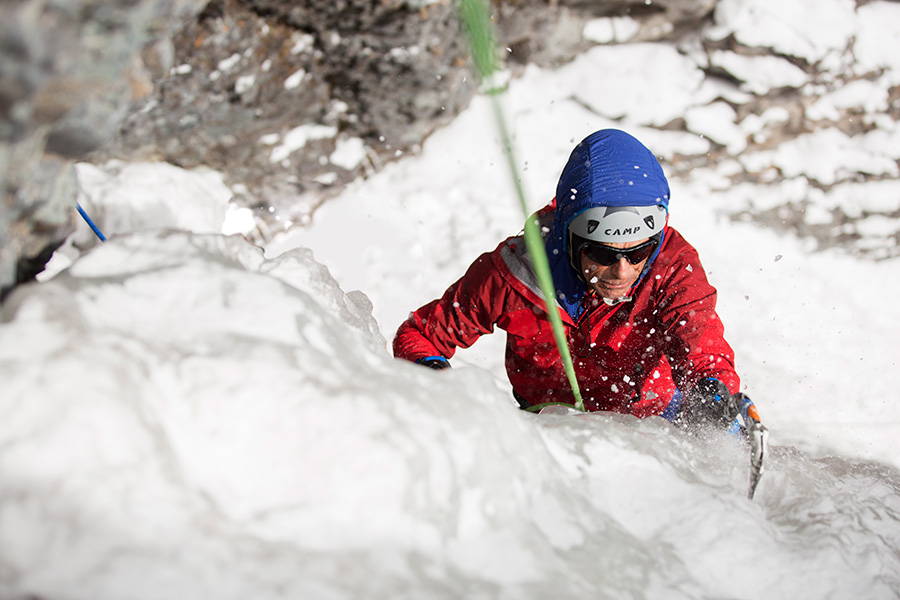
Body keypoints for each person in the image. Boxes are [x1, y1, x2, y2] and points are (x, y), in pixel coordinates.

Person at [394, 129, 745, 428]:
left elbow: (702, 342)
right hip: (547, 430)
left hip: (652, 426)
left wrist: (712, 389)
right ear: (570, 237)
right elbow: (421, 335)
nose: (621, 271)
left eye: (638, 253)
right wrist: (434, 380)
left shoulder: (672, 265)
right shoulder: (514, 274)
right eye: (603, 254)